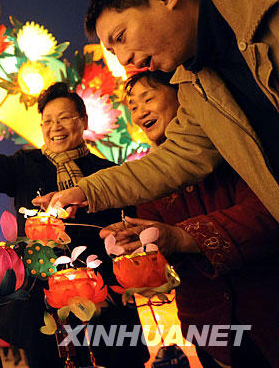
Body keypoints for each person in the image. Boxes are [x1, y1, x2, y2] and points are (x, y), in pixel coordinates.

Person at [0, 83, 150, 367]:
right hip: (42, 306)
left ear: (83, 121)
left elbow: (128, 236)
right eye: (47, 120)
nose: (54, 126)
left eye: (64, 118)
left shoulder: (110, 174)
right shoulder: (26, 165)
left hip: (104, 302)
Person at [34, 0, 279, 222]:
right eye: (113, 51)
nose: (124, 58)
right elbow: (176, 158)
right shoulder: (196, 87)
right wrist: (87, 190)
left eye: (121, 36)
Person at [99, 71, 279, 367]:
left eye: (148, 98)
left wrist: (180, 237)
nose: (140, 111)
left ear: (183, 96)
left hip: (267, 310)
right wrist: (140, 266)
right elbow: (164, 262)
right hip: (209, 330)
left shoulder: (232, 145)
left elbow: (265, 215)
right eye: (133, 106)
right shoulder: (147, 182)